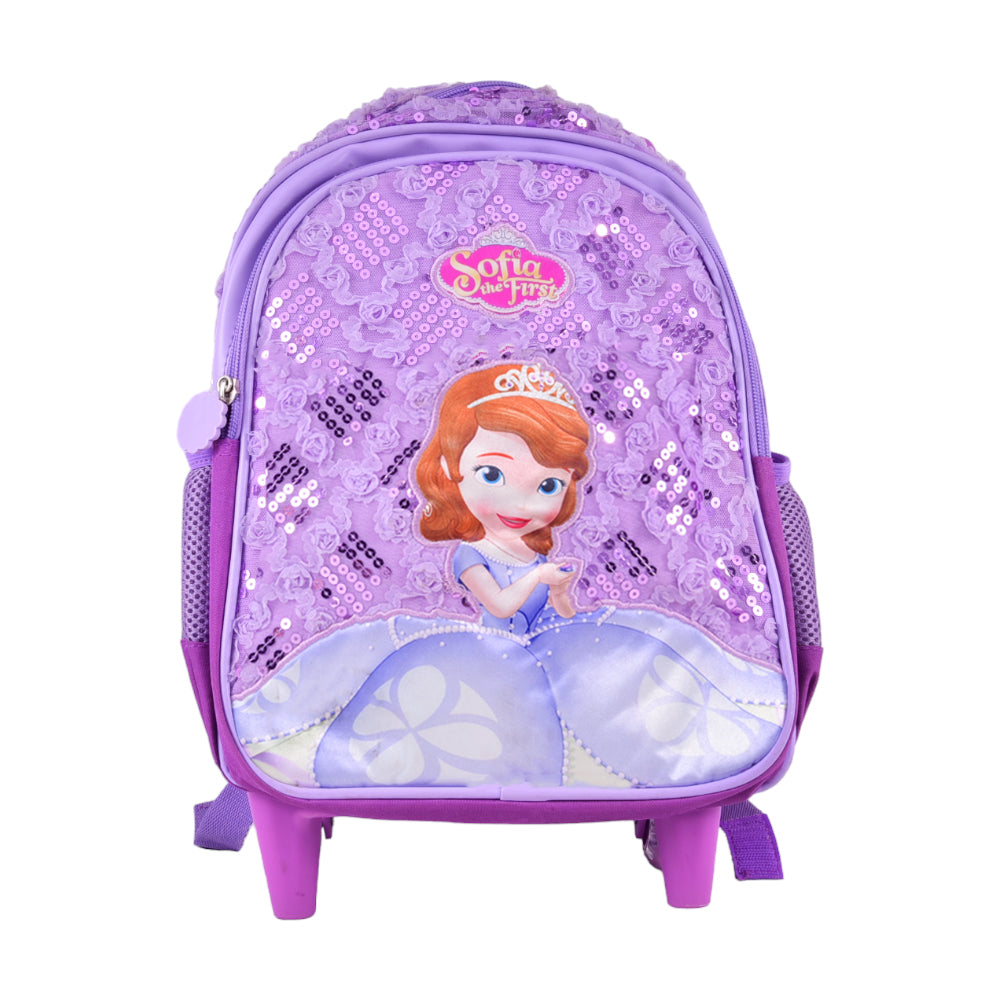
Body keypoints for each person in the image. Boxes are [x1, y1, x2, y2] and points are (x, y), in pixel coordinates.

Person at [233, 362, 787, 791]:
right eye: (493, 474)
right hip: (482, 657)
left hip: (549, 649)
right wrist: (537, 577)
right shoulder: (470, 553)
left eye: (548, 486)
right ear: (451, 469)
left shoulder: (529, 549)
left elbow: (562, 615)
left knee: (623, 656)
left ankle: (675, 769)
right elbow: (499, 608)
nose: (524, 503)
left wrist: (560, 590)